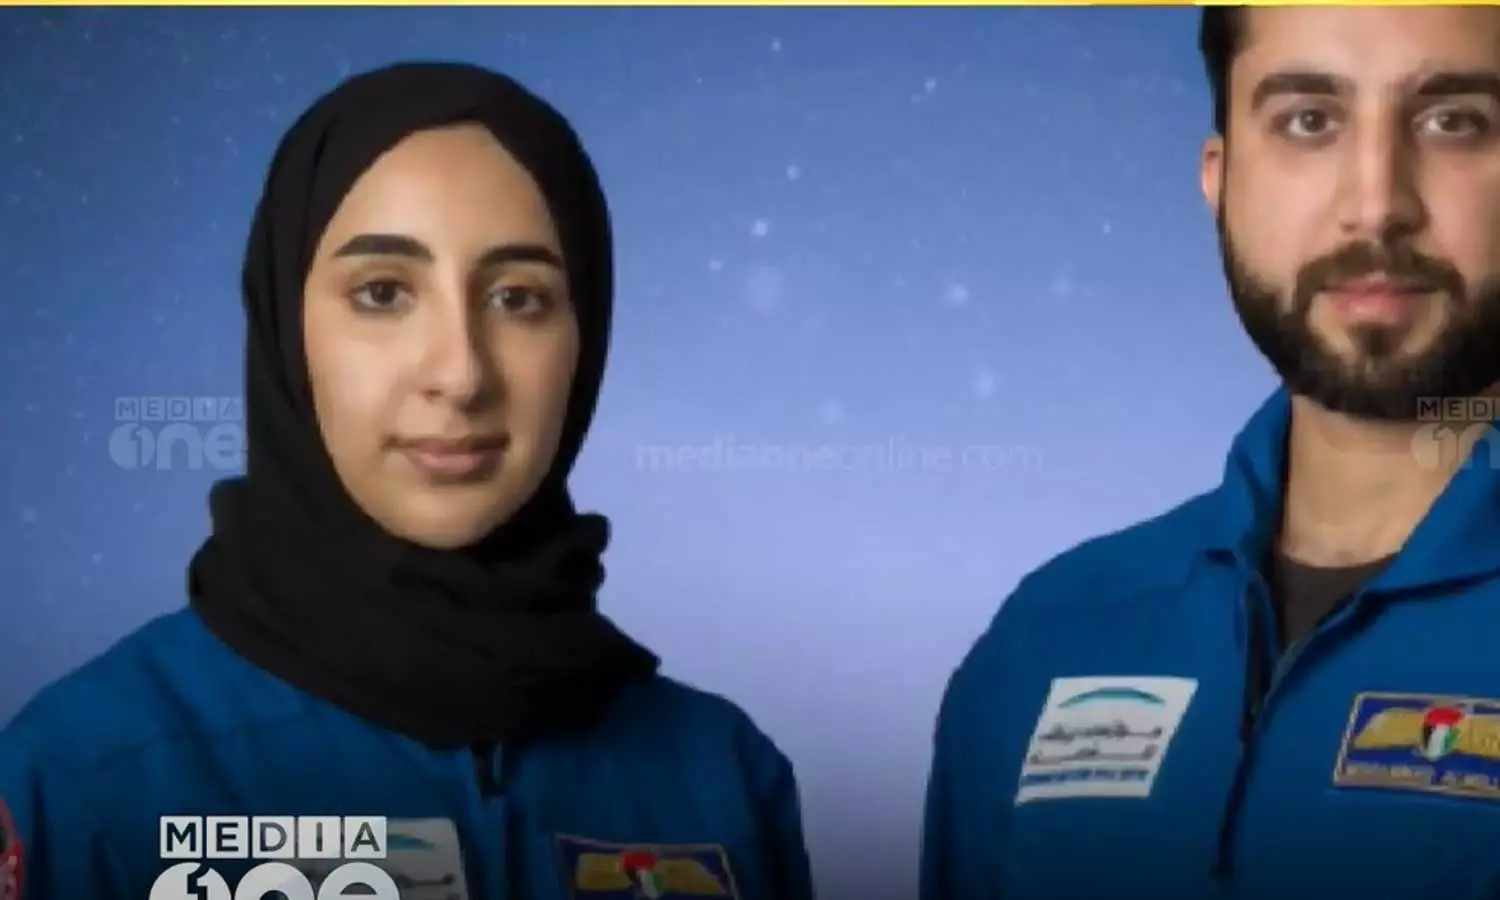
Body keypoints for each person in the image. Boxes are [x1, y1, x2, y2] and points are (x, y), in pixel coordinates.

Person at [0, 61, 814, 900]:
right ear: (285, 328)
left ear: (587, 334)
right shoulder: (91, 776)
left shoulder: (721, 779)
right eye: (383, 292)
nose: (460, 374)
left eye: (518, 298)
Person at [922, 6, 1500, 899]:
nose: (1377, 204)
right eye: (1308, 120)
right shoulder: (1048, 636)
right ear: (1219, 179)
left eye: (1453, 121)